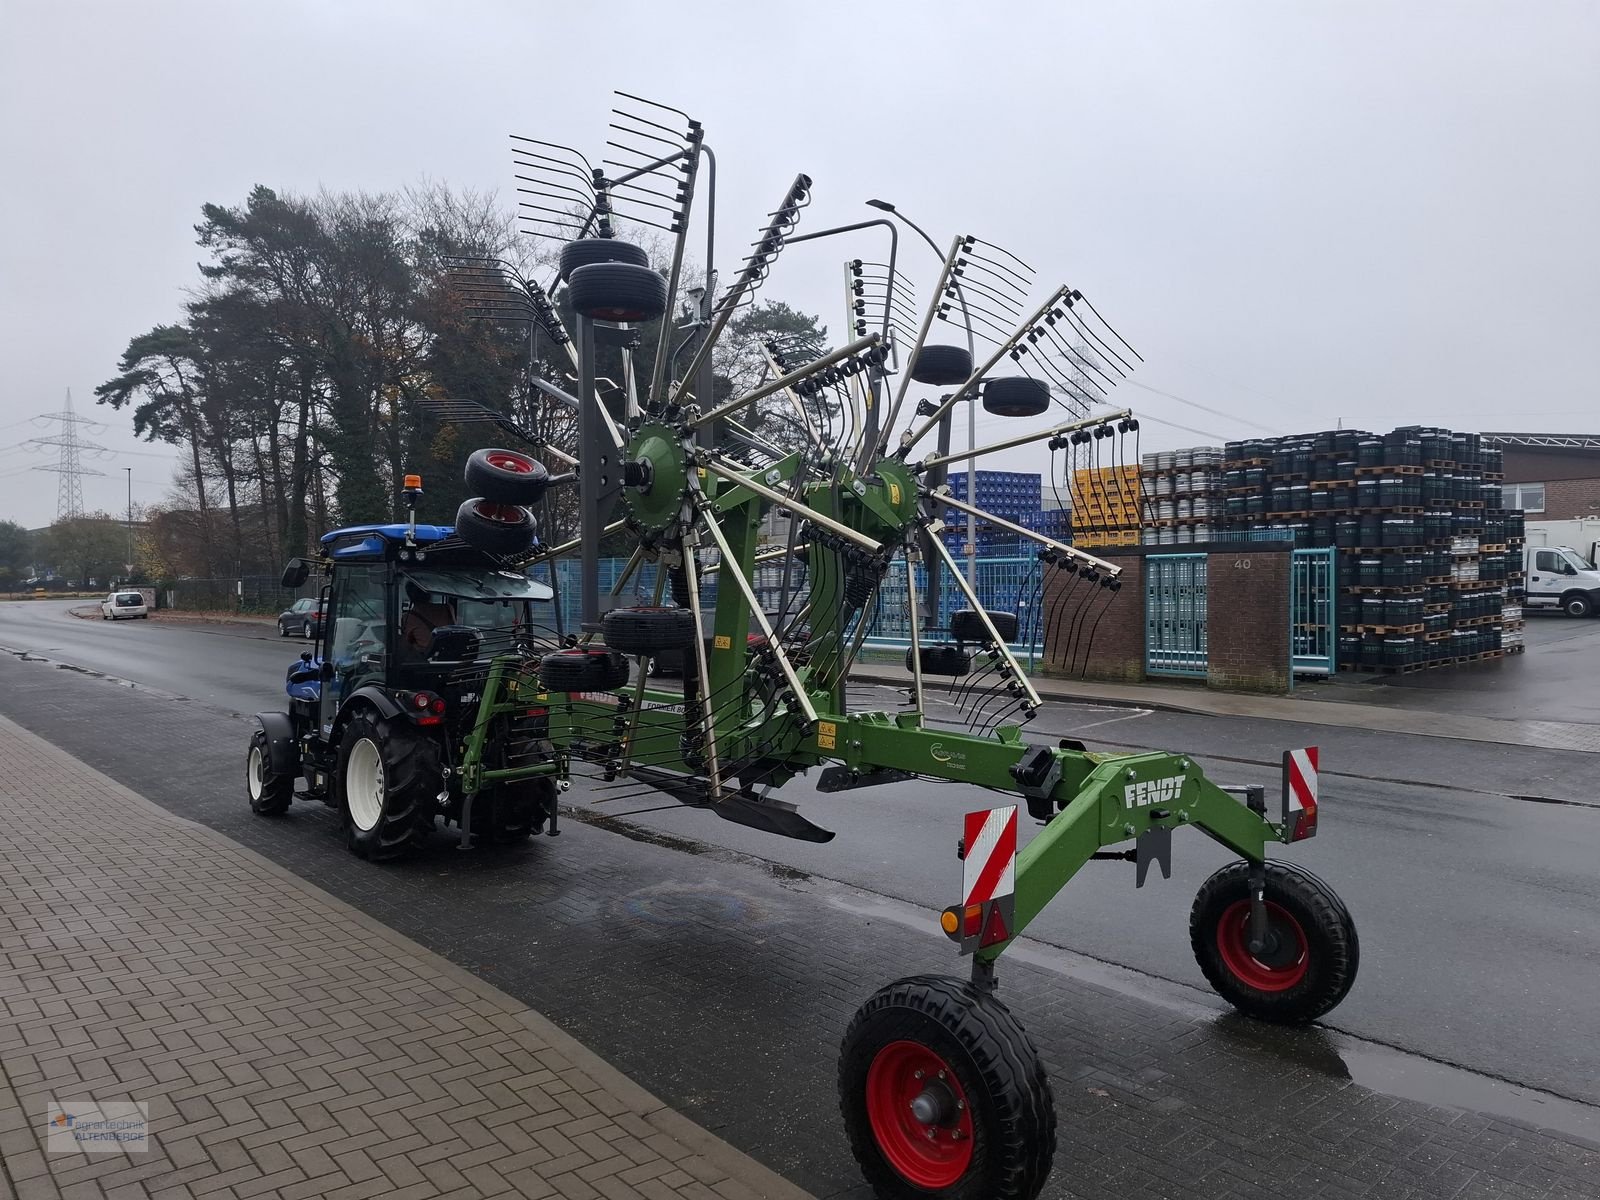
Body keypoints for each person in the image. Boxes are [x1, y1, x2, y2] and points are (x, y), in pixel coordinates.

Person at [400, 582, 455, 659]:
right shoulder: (448, 608)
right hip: (449, 659)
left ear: (410, 596)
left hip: (425, 663)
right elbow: (454, 632)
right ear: (429, 594)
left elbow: (407, 644)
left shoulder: (408, 617)